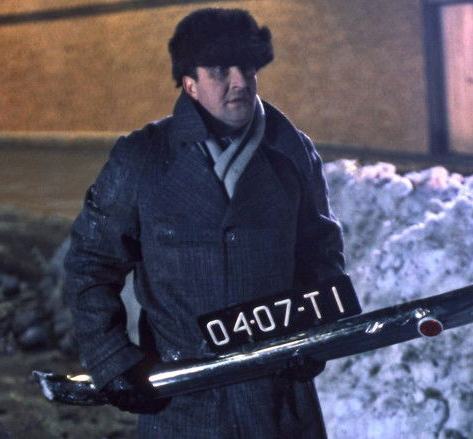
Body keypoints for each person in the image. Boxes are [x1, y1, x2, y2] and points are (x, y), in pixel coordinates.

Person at [63, 8, 347, 438]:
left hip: (277, 402)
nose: (240, 82)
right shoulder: (143, 159)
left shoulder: (290, 152)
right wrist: (113, 359)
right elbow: (90, 262)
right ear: (189, 83)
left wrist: (316, 331)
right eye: (219, 71)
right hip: (183, 404)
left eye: (247, 68)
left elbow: (320, 251)